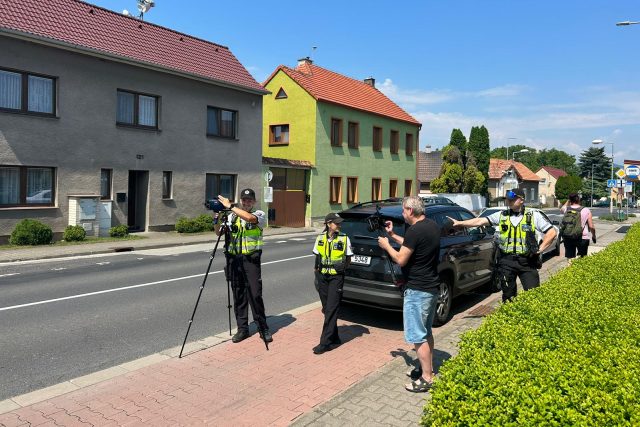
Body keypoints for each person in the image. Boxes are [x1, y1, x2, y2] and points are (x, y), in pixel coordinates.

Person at [378, 196, 441, 393]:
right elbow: (413, 244)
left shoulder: (415, 230)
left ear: (410, 211)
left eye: (403, 211)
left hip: (417, 290)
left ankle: (427, 378)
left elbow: (401, 259)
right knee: (426, 331)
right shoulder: (431, 225)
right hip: (431, 287)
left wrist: (386, 246)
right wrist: (393, 235)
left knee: (417, 336)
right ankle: (427, 369)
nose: (402, 214)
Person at [448, 188, 557, 302]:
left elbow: (552, 232)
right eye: (507, 200)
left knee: (534, 296)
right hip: (506, 261)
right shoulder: (502, 215)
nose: (508, 202)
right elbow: (480, 221)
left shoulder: (533, 216)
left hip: (527, 261)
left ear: (521, 200)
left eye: (512, 200)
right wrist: (460, 223)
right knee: (508, 297)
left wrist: (540, 250)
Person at [215, 188, 272, 344]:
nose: (246, 202)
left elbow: (249, 218)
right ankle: (242, 329)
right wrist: (217, 218)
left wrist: (230, 206)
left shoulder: (259, 214)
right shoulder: (232, 216)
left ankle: (263, 327)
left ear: (253, 202)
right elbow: (218, 233)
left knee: (255, 294)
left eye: (249, 200)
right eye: (244, 200)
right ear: (241, 200)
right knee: (239, 295)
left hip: (250, 260)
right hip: (234, 260)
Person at [311, 212, 353, 355]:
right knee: (326, 308)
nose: (339, 225)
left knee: (331, 309)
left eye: (340, 223)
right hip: (322, 277)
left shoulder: (344, 238)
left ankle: (325, 342)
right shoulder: (320, 238)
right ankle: (335, 337)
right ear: (329, 224)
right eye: (336, 223)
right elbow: (317, 257)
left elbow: (349, 259)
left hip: (336, 278)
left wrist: (341, 269)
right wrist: (316, 274)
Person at [560, 193, 596, 260]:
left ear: (570, 200)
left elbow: (561, 209)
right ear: (579, 200)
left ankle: (569, 270)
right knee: (582, 258)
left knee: (570, 258)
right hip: (582, 237)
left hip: (568, 236)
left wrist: (568, 201)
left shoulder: (566, 209)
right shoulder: (586, 210)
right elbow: (591, 226)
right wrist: (594, 235)